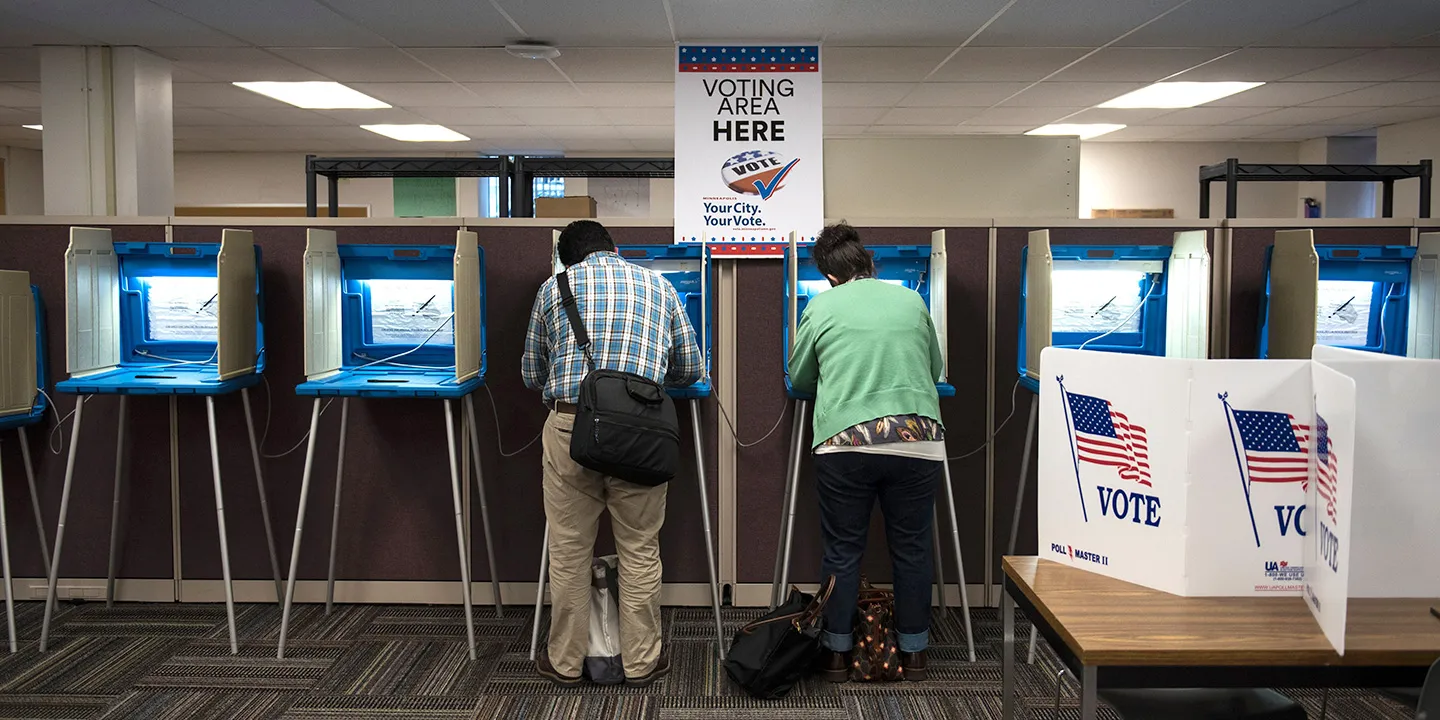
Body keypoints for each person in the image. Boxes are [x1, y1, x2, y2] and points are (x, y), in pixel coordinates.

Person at [522, 220, 704, 688]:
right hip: (642, 433)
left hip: (570, 428)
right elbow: (690, 368)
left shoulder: (552, 288)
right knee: (641, 548)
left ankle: (564, 662)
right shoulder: (660, 286)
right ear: (616, 249)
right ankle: (642, 662)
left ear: (567, 258)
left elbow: (530, 373)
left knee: (568, 550)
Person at [787, 222, 946, 683]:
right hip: (917, 436)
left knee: (842, 551)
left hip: (846, 441)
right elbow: (934, 368)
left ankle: (836, 655)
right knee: (912, 549)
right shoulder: (912, 299)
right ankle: (914, 653)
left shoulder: (821, 305)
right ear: (869, 262)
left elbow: (800, 379)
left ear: (830, 275)